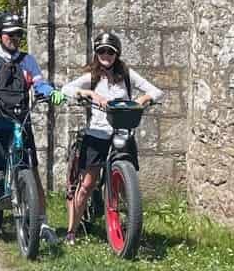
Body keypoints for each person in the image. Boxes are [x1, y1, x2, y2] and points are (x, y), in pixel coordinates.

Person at [0, 12, 65, 249]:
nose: (14, 38)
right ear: (0, 35)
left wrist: (50, 92)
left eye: (18, 34)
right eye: (10, 34)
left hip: (20, 122)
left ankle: (42, 223)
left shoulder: (28, 60)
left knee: (32, 174)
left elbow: (39, 83)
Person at [60, 31, 163, 245]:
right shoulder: (92, 77)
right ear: (97, 53)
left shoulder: (126, 74)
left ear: (117, 54)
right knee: (87, 184)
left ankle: (129, 225)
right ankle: (72, 230)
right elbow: (66, 89)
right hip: (97, 133)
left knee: (127, 184)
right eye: (101, 51)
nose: (106, 55)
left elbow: (155, 91)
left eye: (110, 51)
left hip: (122, 131)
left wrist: (142, 99)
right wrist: (89, 94)